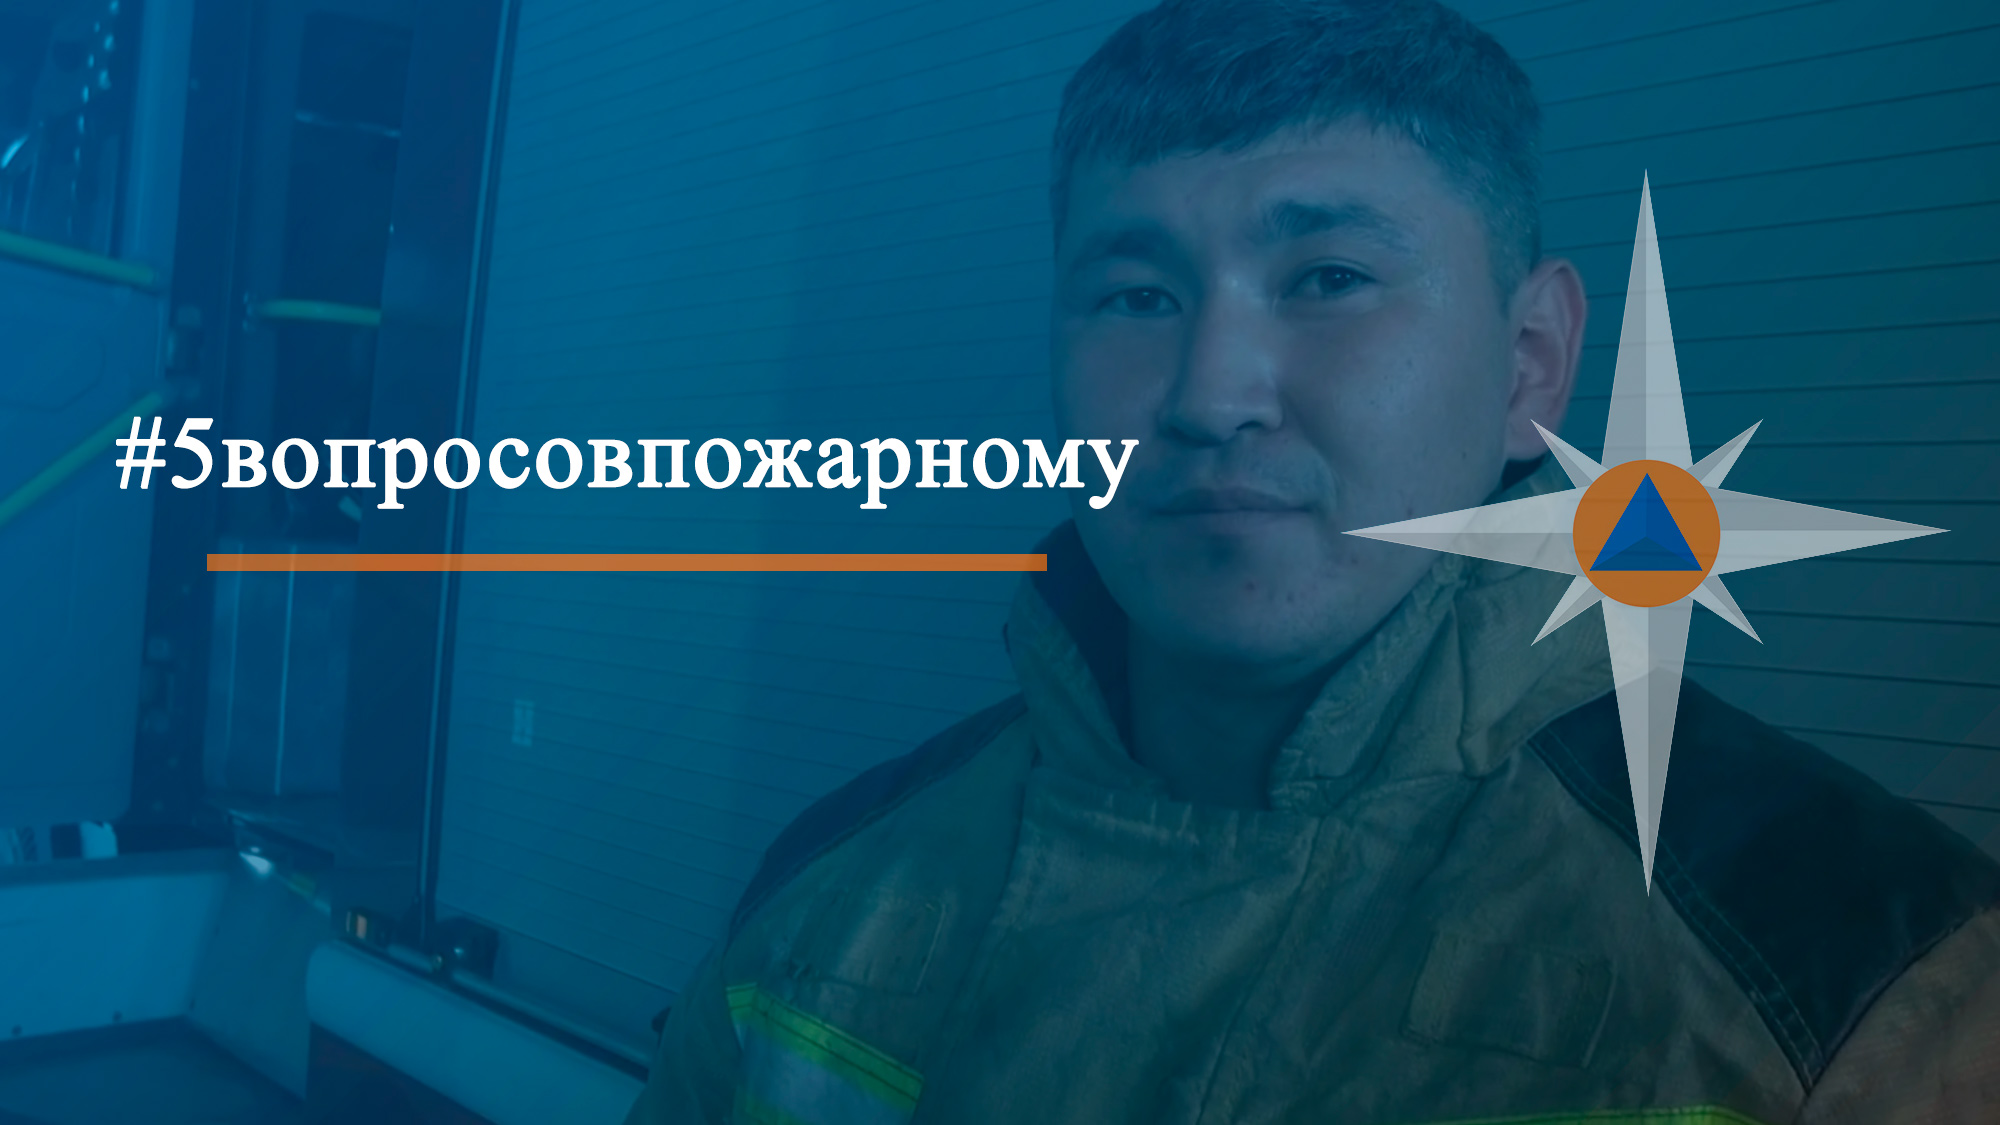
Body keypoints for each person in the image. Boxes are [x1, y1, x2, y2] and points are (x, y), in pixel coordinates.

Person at [625, 1, 2000, 1121]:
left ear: (1530, 364)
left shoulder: (1864, 988)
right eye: (1137, 295)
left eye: (1329, 278)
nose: (1210, 393)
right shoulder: (825, 897)